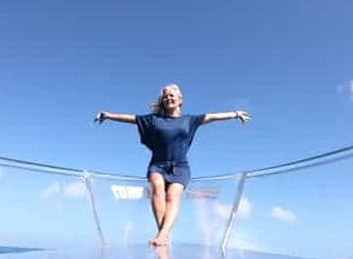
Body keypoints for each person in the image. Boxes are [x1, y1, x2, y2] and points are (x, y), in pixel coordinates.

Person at [95, 83, 250, 246]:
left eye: (172, 95)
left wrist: (235, 114)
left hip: (180, 167)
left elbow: (212, 117)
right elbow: (130, 119)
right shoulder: (153, 120)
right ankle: (163, 234)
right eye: (165, 96)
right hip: (157, 165)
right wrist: (108, 115)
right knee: (156, 188)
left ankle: (162, 234)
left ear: (180, 100)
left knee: (172, 196)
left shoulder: (190, 120)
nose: (168, 98)